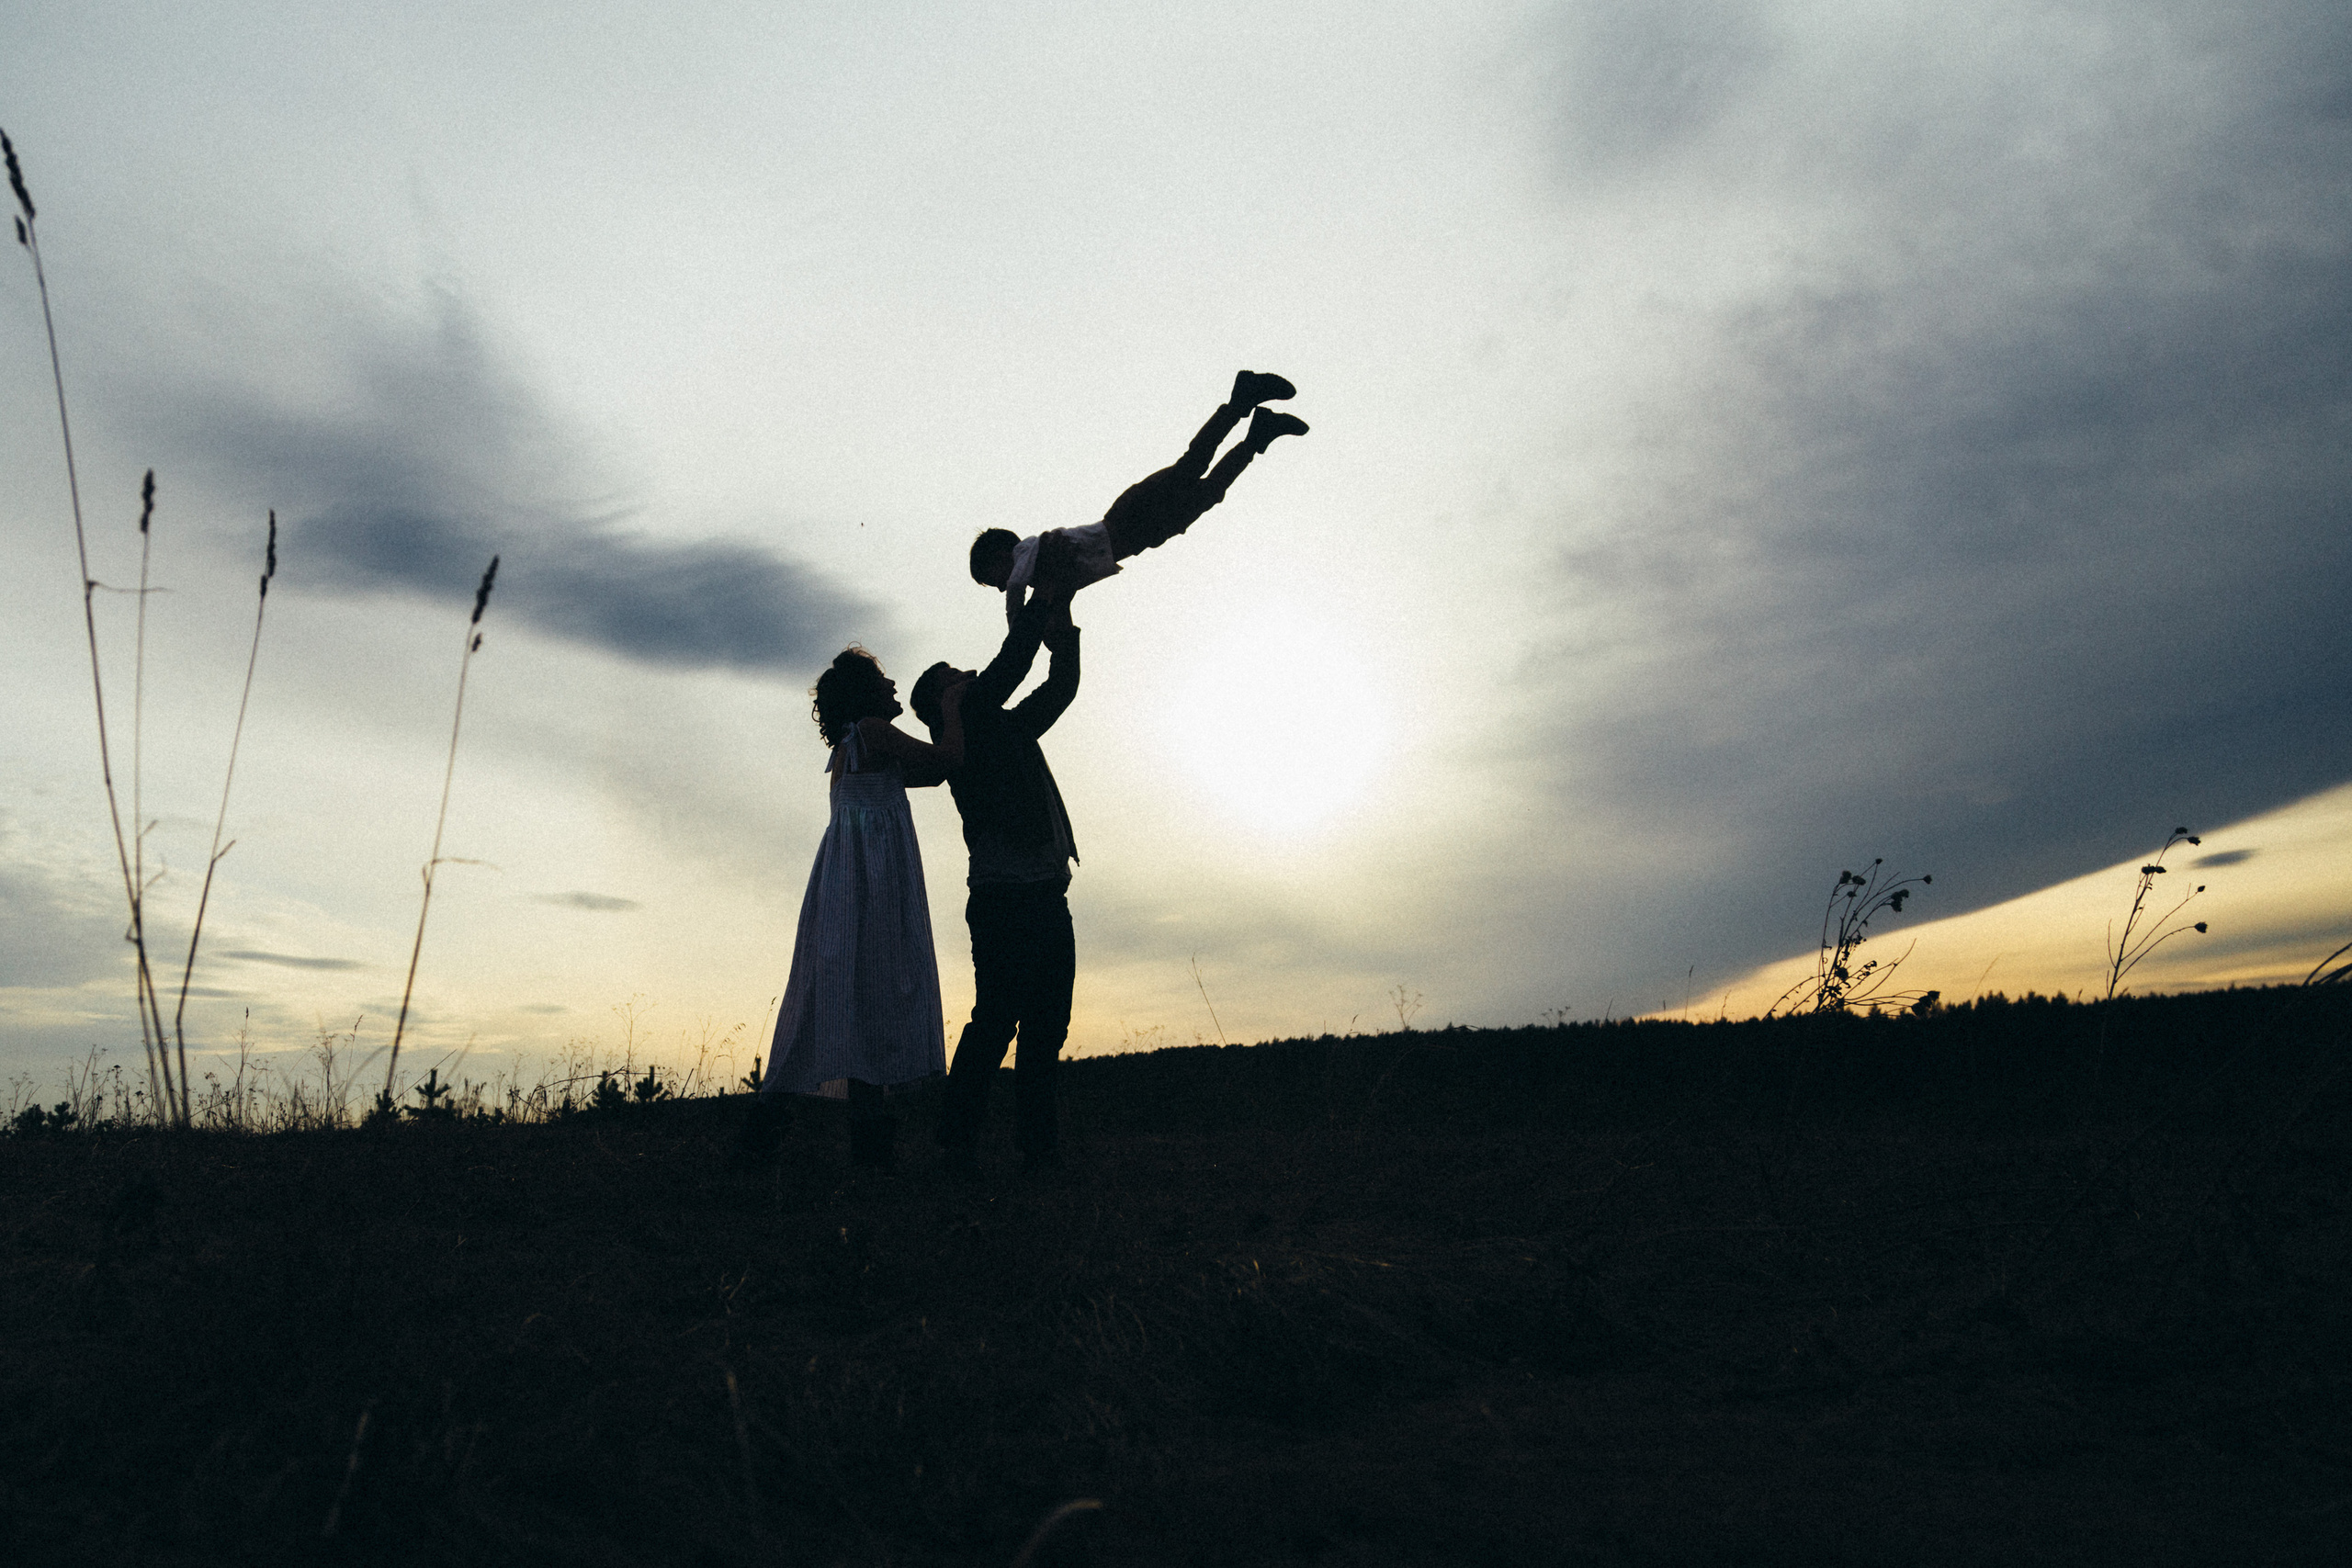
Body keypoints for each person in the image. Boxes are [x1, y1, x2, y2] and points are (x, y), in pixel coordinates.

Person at [730, 647, 964, 1170]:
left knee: (850, 997)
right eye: (883, 678)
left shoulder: (850, 749)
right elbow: (948, 761)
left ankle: (782, 1135)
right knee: (874, 993)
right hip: (872, 887)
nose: (892, 684)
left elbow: (933, 772)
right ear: (866, 694)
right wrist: (951, 708)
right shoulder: (873, 733)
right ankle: (867, 1146)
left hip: (847, 888)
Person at [909, 584, 1083, 1174]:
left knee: (1042, 1027)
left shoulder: (999, 724)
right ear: (944, 700)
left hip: (1044, 894)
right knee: (1000, 1022)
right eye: (955, 675)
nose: (968, 670)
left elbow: (1058, 691)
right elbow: (1013, 661)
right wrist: (1046, 598)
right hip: (1006, 900)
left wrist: (1065, 637)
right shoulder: (973, 718)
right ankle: (960, 1141)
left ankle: (1035, 1149)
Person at [969, 370, 1307, 621]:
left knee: (1191, 466)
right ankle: (1258, 437)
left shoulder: (1025, 550)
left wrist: (1015, 633)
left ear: (1002, 553)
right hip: (1140, 536)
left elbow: (1014, 589)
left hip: (1128, 517)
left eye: (992, 577)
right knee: (1209, 493)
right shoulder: (1042, 576)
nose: (1000, 587)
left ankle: (1240, 402)